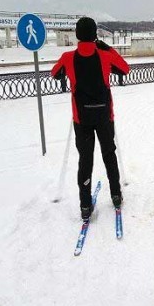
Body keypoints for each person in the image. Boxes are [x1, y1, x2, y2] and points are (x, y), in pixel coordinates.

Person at [51, 17, 130, 220]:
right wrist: (108, 49)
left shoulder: (68, 58)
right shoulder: (104, 56)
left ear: (77, 35)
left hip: (81, 119)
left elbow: (55, 74)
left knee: (85, 160)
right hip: (104, 116)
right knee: (109, 155)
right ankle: (116, 195)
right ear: (95, 35)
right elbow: (125, 69)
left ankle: (85, 205)